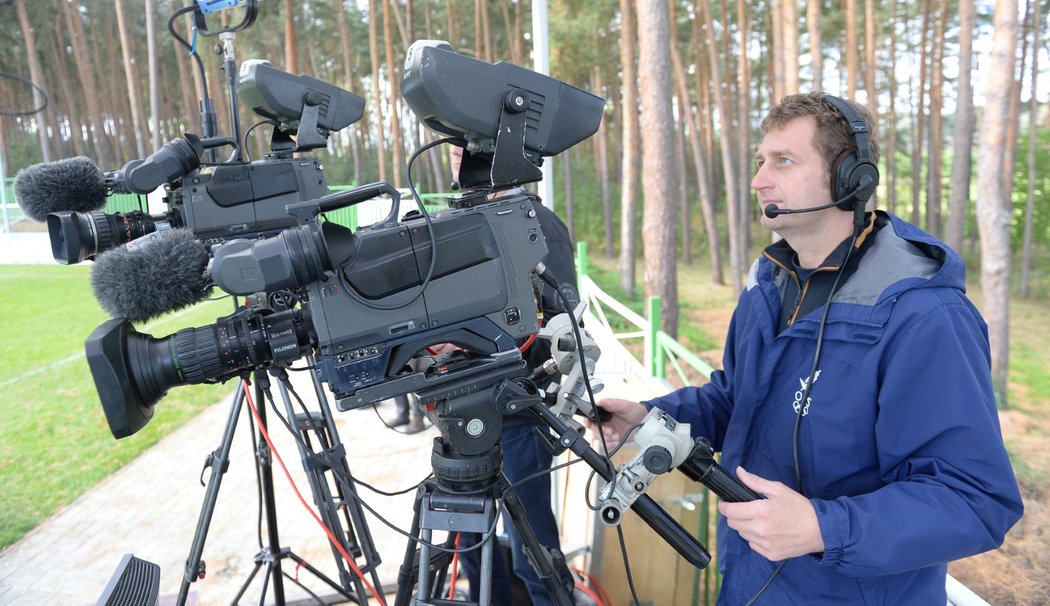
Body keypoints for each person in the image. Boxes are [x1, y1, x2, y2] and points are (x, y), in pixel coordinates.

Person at [591, 92, 1023, 605]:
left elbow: (974, 500)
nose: (758, 180)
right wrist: (647, 415)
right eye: (759, 162)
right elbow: (736, 401)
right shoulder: (767, 285)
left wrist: (824, 528)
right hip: (749, 580)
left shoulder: (924, 316)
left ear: (849, 179)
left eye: (783, 161)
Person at [449, 145, 579, 605]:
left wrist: (471, 338)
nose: (455, 160)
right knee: (469, 540)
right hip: (470, 413)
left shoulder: (535, 223)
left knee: (533, 549)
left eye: (463, 151)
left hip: (520, 414)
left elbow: (559, 323)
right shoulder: (477, 221)